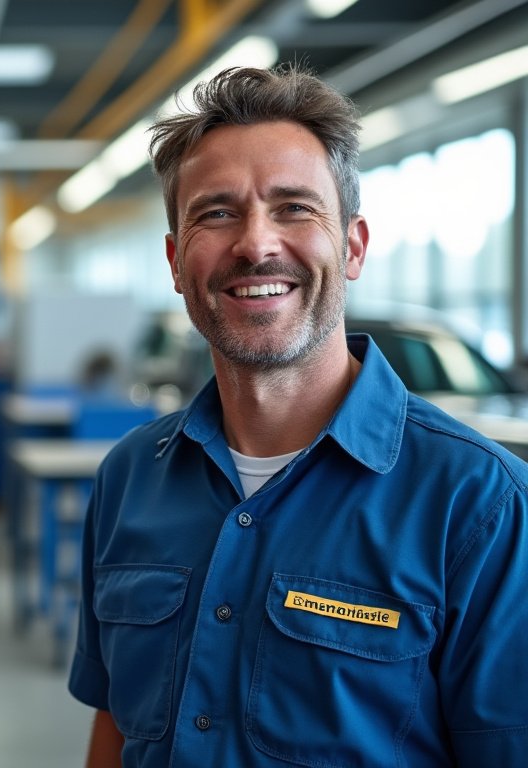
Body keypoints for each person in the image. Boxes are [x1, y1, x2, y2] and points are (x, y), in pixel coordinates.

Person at [69, 65, 528, 767]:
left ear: (352, 246)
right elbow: (116, 727)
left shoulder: (481, 507)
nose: (255, 244)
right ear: (174, 259)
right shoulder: (129, 477)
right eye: (217, 212)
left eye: (293, 207)